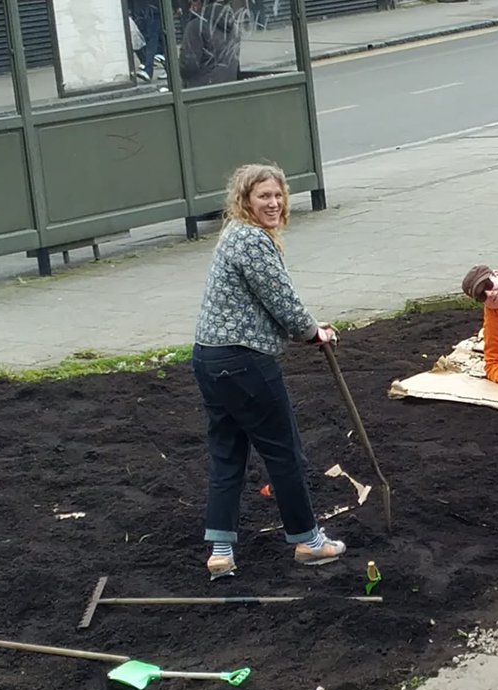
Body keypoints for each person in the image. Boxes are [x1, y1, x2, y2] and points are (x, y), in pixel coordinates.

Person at [191, 163, 346, 580]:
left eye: (278, 195)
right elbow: (284, 302)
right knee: (283, 452)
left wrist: (305, 330)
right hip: (244, 363)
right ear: (245, 200)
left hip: (208, 358)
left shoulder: (231, 235)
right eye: (264, 196)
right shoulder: (252, 241)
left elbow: (261, 303)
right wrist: (315, 332)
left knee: (227, 452)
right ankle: (309, 542)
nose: (274, 203)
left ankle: (221, 552)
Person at [179, 0, 241, 89]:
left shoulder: (195, 26)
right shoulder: (234, 25)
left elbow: (188, 66)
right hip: (229, 87)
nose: (189, 2)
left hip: (202, 91)